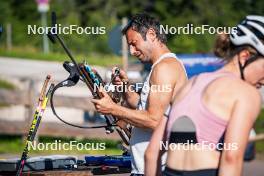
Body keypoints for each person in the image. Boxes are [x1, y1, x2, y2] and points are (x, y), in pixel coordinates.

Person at [145, 15, 264, 176]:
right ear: (245, 57)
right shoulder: (246, 93)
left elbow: (151, 154)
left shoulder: (191, 84)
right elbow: (231, 158)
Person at [91, 13, 187, 175]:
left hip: (155, 170)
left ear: (151, 34)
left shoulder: (164, 68)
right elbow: (145, 106)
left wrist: (113, 109)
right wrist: (126, 87)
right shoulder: (162, 66)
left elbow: (154, 120)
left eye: (134, 44)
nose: (132, 51)